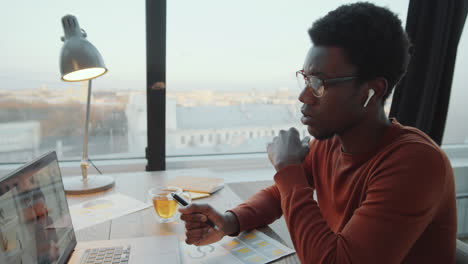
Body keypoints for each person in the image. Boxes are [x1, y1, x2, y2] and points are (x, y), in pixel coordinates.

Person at [179, 2, 457, 263]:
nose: (304, 96)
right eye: (305, 78)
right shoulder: (331, 142)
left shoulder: (415, 163)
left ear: (372, 91)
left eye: (319, 83)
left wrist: (288, 167)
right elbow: (281, 194)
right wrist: (229, 221)